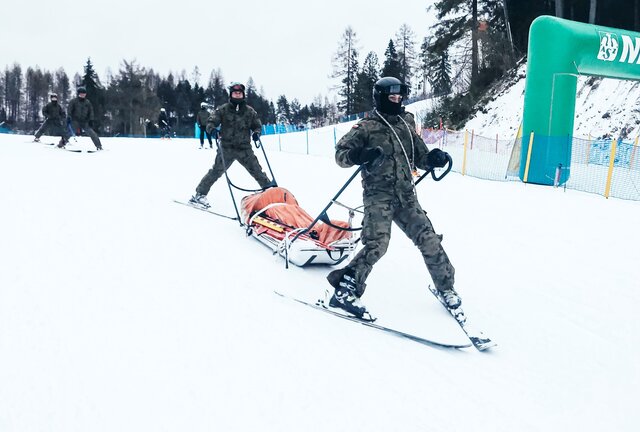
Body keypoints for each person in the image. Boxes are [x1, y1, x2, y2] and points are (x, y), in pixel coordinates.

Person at [325, 76, 457, 320]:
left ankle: (446, 287)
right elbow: (340, 155)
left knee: (428, 239)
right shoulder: (367, 127)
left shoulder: (406, 123)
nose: (397, 101)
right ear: (381, 98)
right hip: (379, 196)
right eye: (392, 97)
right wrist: (359, 154)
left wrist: (433, 159)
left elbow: (419, 156)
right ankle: (345, 289)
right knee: (377, 244)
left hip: (406, 195)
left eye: (399, 97)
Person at [189, 82, 273, 208]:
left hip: (244, 148)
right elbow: (211, 122)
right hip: (226, 148)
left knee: (256, 170)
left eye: (239, 93)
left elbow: (257, 125)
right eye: (235, 93)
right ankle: (199, 194)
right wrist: (212, 130)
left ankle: (270, 192)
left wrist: (256, 133)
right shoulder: (223, 109)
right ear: (231, 94)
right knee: (216, 171)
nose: (237, 95)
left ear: (243, 95)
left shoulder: (250, 111)